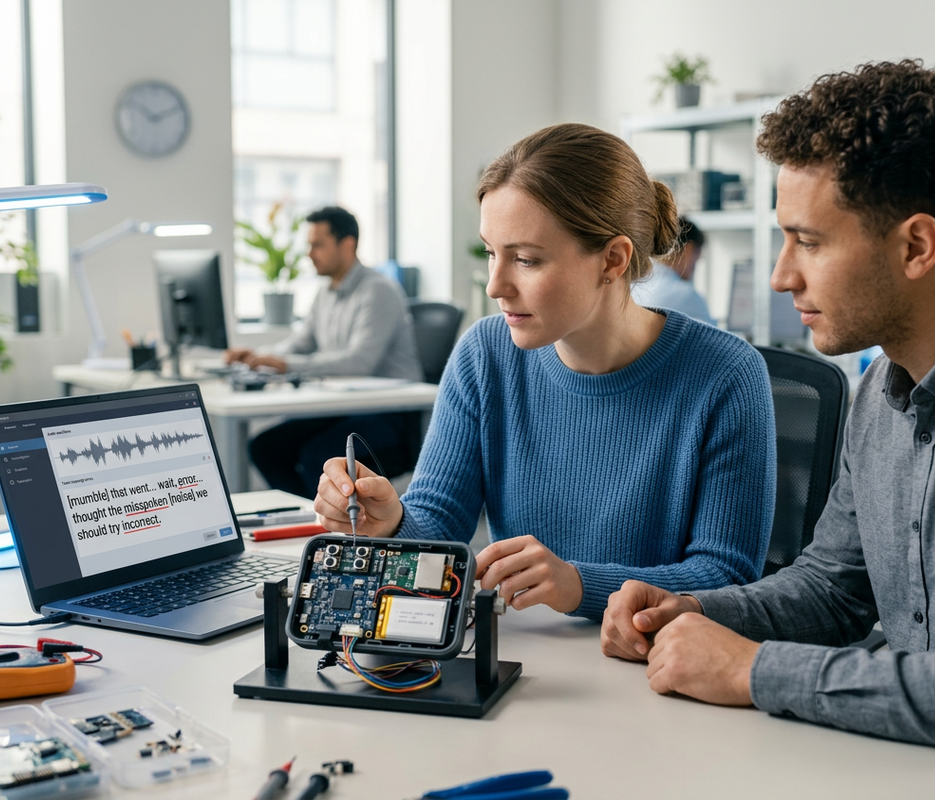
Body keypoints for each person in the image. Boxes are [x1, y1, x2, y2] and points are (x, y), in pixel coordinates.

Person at [600, 61, 935, 777]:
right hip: (919, 768)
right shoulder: (882, 386)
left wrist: (754, 671)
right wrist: (691, 611)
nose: (780, 275)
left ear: (917, 246)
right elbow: (834, 589)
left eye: (810, 241)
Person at [314, 123, 776, 621]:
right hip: (526, 664)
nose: (495, 285)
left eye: (527, 260)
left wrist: (578, 584)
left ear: (612, 260)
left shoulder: (727, 375)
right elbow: (441, 521)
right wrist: (392, 520)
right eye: (492, 253)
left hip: (652, 668)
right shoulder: (485, 354)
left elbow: (726, 575)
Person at [226, 206, 424, 497]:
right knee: (265, 447)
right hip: (342, 408)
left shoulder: (378, 290)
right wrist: (257, 358)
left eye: (317, 245)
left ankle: (327, 531)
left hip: (387, 415)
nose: (309, 253)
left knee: (316, 456)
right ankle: (309, 523)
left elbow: (359, 362)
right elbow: (299, 344)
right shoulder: (326, 293)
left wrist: (284, 363)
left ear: (347, 244)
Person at [631, 217, 712, 323]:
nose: (697, 262)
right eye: (698, 254)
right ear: (689, 249)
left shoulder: (634, 286)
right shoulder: (686, 295)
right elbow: (719, 338)